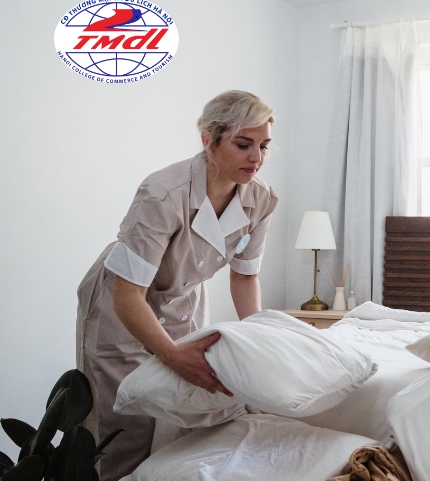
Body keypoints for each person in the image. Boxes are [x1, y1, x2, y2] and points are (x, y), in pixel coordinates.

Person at [76, 90, 279, 481]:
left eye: (264, 146)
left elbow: (244, 276)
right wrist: (170, 353)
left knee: (179, 422)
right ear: (208, 140)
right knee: (123, 431)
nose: (257, 157)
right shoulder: (163, 193)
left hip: (183, 298)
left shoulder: (261, 199)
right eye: (243, 144)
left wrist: (257, 341)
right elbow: (128, 294)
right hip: (120, 304)